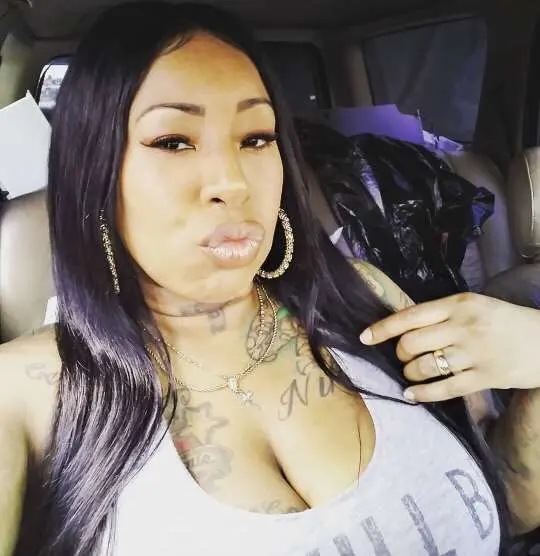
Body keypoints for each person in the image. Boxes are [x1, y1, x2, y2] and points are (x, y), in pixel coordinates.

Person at [0, 2, 537, 555]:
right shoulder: (24, 393)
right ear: (95, 173)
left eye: (256, 137)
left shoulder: (364, 295)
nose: (232, 182)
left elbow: (504, 505)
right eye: (173, 141)